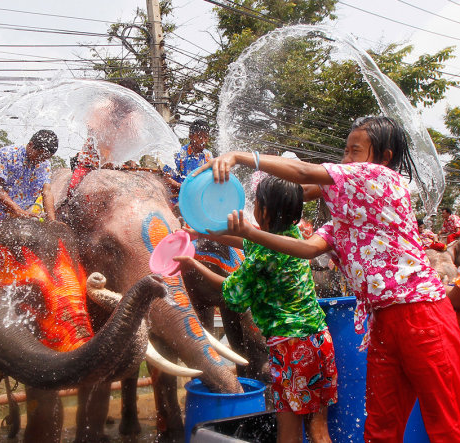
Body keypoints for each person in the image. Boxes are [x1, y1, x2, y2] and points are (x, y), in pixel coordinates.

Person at [195, 115, 460, 441]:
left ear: (384, 156)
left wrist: (238, 156)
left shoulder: (382, 176)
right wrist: (215, 211)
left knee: (446, 423)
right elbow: (302, 239)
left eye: (354, 151)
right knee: (380, 428)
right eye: (344, 151)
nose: (345, 159)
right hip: (381, 323)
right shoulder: (341, 225)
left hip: (422, 315)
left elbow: (305, 174)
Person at [175, 175, 337, 443]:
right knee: (319, 431)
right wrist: (200, 232)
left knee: (288, 433)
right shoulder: (291, 236)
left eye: (257, 202)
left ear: (264, 210)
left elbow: (232, 292)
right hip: (318, 340)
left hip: (290, 348)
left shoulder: (263, 256)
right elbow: (246, 241)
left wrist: (193, 264)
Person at [0, 130, 58, 234]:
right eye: (38, 156)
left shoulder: (45, 165)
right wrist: (17, 210)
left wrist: (52, 222)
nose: (40, 161)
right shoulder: (6, 154)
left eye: (45, 158)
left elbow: (47, 192)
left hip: (20, 215)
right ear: (30, 145)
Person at [162, 119, 212, 204]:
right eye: (200, 137)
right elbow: (166, 178)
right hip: (178, 202)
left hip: (199, 202)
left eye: (205, 137)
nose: (203, 141)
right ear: (191, 136)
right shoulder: (179, 155)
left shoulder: (208, 156)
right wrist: (185, 188)